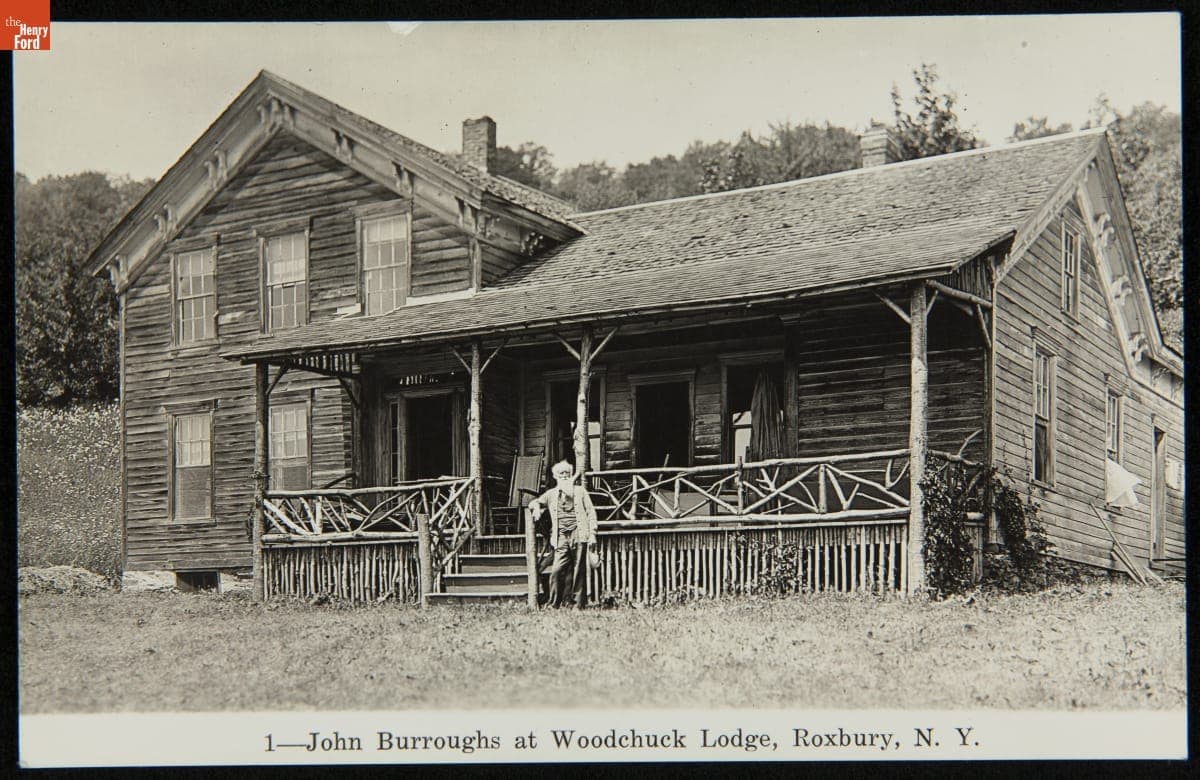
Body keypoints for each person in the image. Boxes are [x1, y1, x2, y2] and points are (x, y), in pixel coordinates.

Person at [527, 460, 597, 609]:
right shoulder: (551, 494)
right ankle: (554, 604)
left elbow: (591, 512)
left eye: (567, 473)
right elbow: (533, 502)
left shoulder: (580, 491)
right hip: (560, 537)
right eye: (561, 474)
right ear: (555, 477)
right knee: (557, 570)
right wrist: (537, 508)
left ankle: (578, 605)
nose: (564, 476)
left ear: (571, 475)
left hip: (579, 533)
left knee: (579, 570)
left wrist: (592, 534)